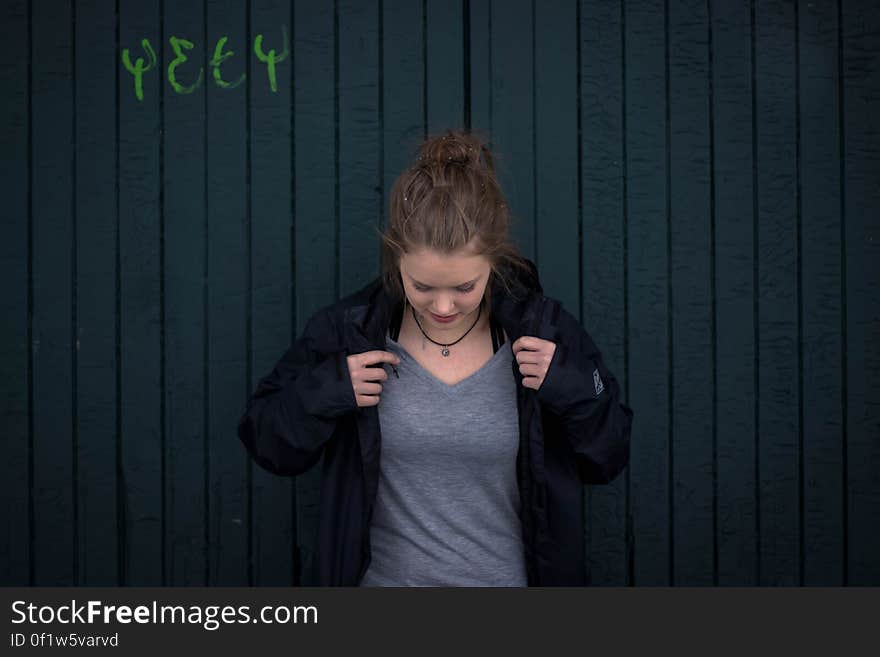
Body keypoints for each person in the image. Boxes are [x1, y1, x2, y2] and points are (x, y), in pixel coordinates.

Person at [237, 129, 633, 586]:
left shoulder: (543, 331)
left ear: (494, 263)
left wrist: (569, 384)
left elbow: (610, 456)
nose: (443, 307)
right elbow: (265, 439)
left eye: (464, 287)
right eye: (422, 286)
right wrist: (328, 389)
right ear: (396, 261)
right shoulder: (350, 331)